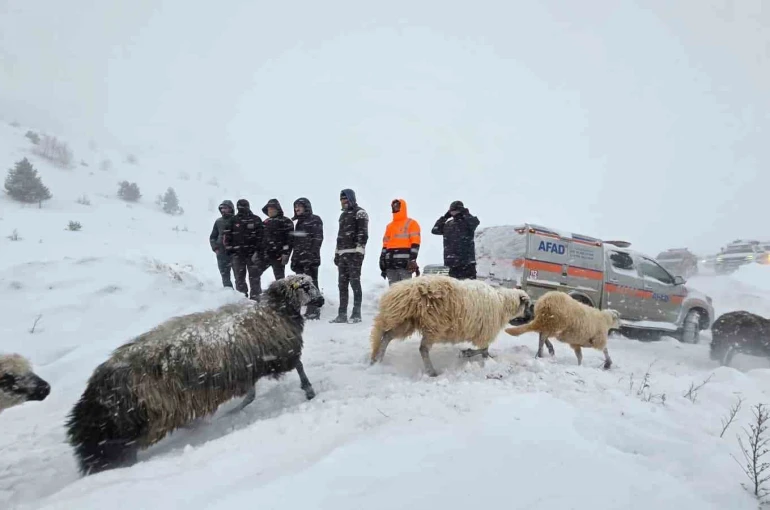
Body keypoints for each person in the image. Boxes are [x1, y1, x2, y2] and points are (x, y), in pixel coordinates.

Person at [330, 188, 368, 323]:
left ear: (352, 198)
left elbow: (363, 234)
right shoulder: (342, 216)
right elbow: (339, 236)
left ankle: (356, 314)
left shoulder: (360, 213)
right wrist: (336, 252)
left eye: (345, 198)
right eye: (341, 199)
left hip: (354, 254)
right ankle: (342, 315)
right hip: (342, 254)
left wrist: (359, 251)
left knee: (355, 283)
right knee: (342, 285)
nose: (343, 201)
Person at [222, 199, 264, 300]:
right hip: (237, 254)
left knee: (254, 277)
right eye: (240, 206)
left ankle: (256, 298)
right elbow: (227, 235)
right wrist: (229, 249)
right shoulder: (233, 220)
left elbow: (262, 236)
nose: (242, 208)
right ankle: (242, 298)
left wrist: (258, 251)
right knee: (239, 278)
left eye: (244, 206)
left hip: (253, 254)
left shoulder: (256, 219)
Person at [290, 197, 324, 320]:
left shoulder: (315, 219)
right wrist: (294, 259)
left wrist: (311, 256)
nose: (297, 209)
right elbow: (296, 243)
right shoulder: (298, 223)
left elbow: (318, 239)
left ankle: (314, 310)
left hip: (311, 259)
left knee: (311, 284)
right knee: (302, 285)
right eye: (295, 206)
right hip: (299, 259)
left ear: (306, 207)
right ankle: (308, 308)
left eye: (299, 206)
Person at [431, 200, 480, 279]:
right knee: (456, 286)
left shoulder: (467, 222)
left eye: (454, 210)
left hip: (466, 263)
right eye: (451, 211)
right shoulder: (448, 224)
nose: (453, 212)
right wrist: (445, 217)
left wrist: (465, 213)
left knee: (469, 285)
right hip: (453, 264)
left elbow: (474, 222)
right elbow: (435, 230)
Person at [380, 198, 421, 285]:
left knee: (405, 290)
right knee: (393, 291)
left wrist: (412, 259)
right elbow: (385, 245)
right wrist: (382, 259)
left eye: (397, 206)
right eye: (393, 206)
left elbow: (415, 243)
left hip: (405, 264)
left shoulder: (412, 223)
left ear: (402, 207)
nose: (395, 208)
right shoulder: (389, 226)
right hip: (390, 264)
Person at [260, 198, 294, 281]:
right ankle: (256, 290)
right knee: (254, 274)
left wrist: (285, 253)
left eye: (272, 209)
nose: (270, 211)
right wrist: (258, 252)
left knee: (280, 279)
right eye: (268, 209)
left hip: (278, 256)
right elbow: (260, 239)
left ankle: (282, 290)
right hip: (265, 255)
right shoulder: (265, 222)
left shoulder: (286, 221)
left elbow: (290, 240)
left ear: (277, 209)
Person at [208, 199, 235, 288]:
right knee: (225, 276)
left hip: (234, 253)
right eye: (222, 208)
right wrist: (215, 248)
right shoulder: (218, 221)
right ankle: (229, 293)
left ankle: (241, 294)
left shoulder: (236, 220)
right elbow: (212, 237)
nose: (223, 210)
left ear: (231, 209)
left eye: (225, 208)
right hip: (221, 253)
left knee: (239, 277)